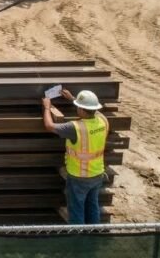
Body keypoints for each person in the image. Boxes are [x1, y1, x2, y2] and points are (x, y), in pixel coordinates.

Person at [42, 88, 109, 225]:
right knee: (92, 206)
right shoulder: (103, 120)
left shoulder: (74, 128)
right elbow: (93, 111)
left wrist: (47, 108)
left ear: (82, 109)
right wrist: (73, 98)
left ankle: (78, 241)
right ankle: (94, 235)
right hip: (97, 173)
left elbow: (49, 126)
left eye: (78, 106)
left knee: (76, 210)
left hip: (79, 177)